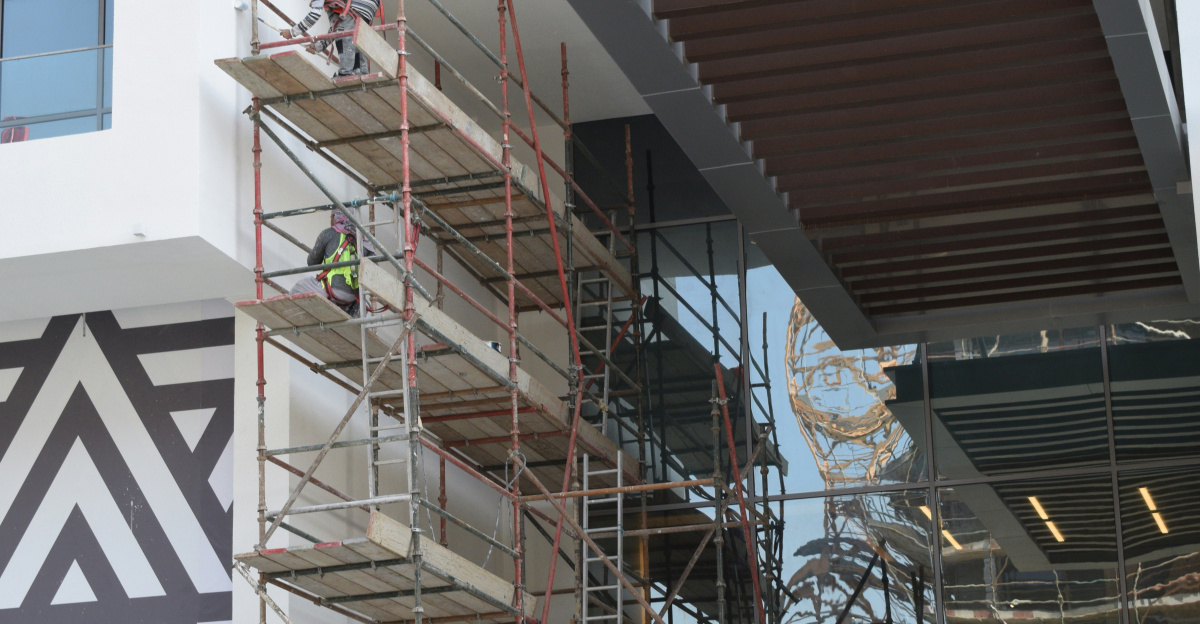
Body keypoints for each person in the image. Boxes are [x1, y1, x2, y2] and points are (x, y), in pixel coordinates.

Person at [290, 211, 374, 316]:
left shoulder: (329, 233)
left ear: (336, 217)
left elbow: (311, 262)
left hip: (331, 291)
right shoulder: (364, 240)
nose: (330, 220)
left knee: (301, 285)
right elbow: (374, 272)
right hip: (354, 298)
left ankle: (295, 318)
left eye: (331, 217)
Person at [281, 0, 382, 77]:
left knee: (343, 38)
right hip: (369, 8)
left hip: (356, 5)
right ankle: (361, 72)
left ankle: (345, 74)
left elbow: (314, 15)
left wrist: (292, 32)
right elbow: (335, 28)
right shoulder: (336, 6)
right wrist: (319, 46)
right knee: (357, 38)